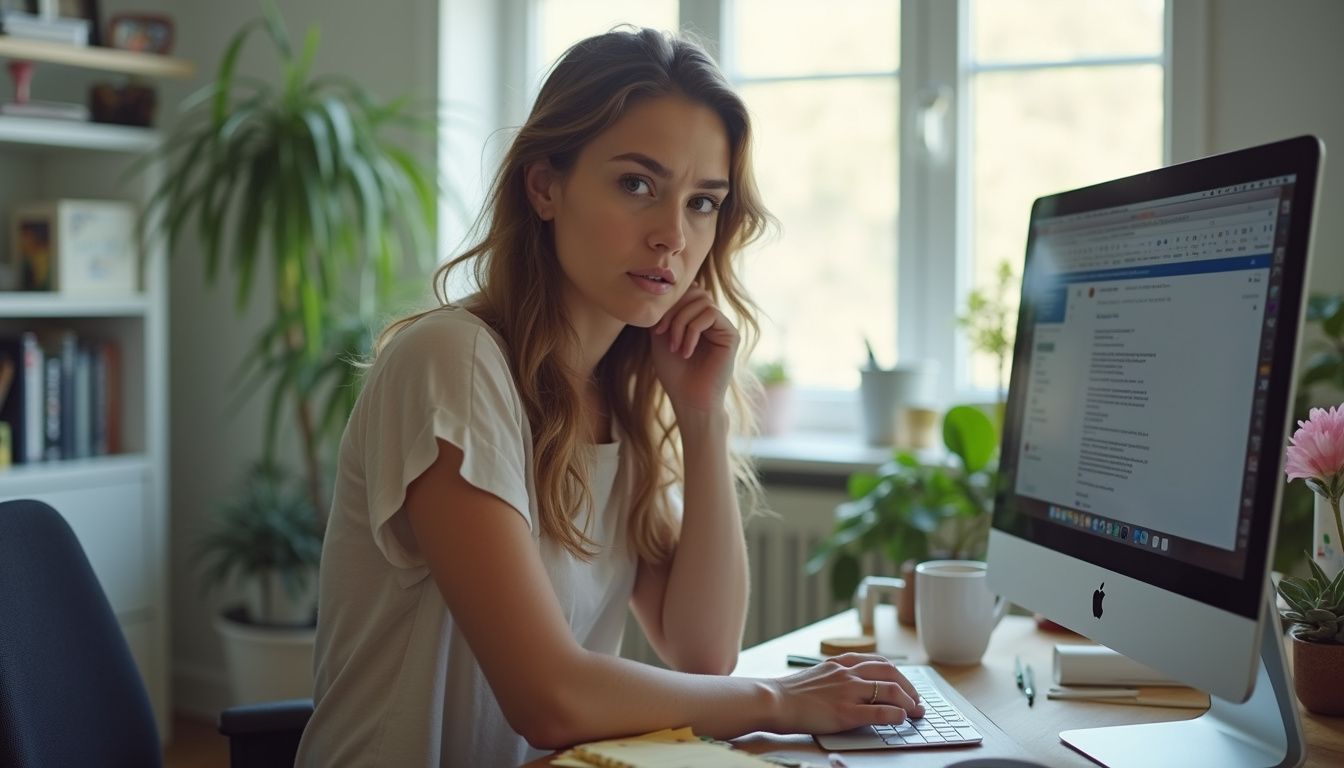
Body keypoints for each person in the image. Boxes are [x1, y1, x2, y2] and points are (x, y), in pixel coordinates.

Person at [294, 26, 923, 767]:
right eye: (637, 185)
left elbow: (702, 649)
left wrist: (700, 418)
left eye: (703, 203)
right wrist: (783, 701)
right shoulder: (453, 362)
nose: (672, 236)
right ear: (545, 186)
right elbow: (549, 697)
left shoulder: (617, 393)